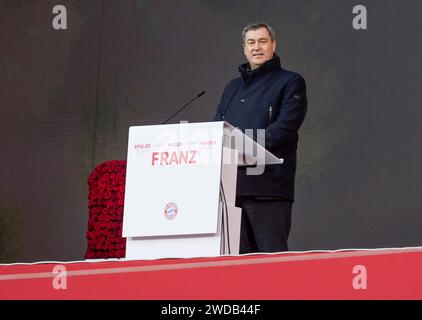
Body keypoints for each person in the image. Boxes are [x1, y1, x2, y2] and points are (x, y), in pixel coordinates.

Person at [213, 22, 308, 253]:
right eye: (251, 42)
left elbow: (284, 128)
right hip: (231, 192)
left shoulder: (291, 82)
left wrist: (242, 144)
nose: (257, 47)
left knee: (271, 267)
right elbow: (216, 130)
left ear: (273, 45)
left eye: (263, 41)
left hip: (268, 190)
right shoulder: (232, 88)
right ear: (244, 48)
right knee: (238, 270)